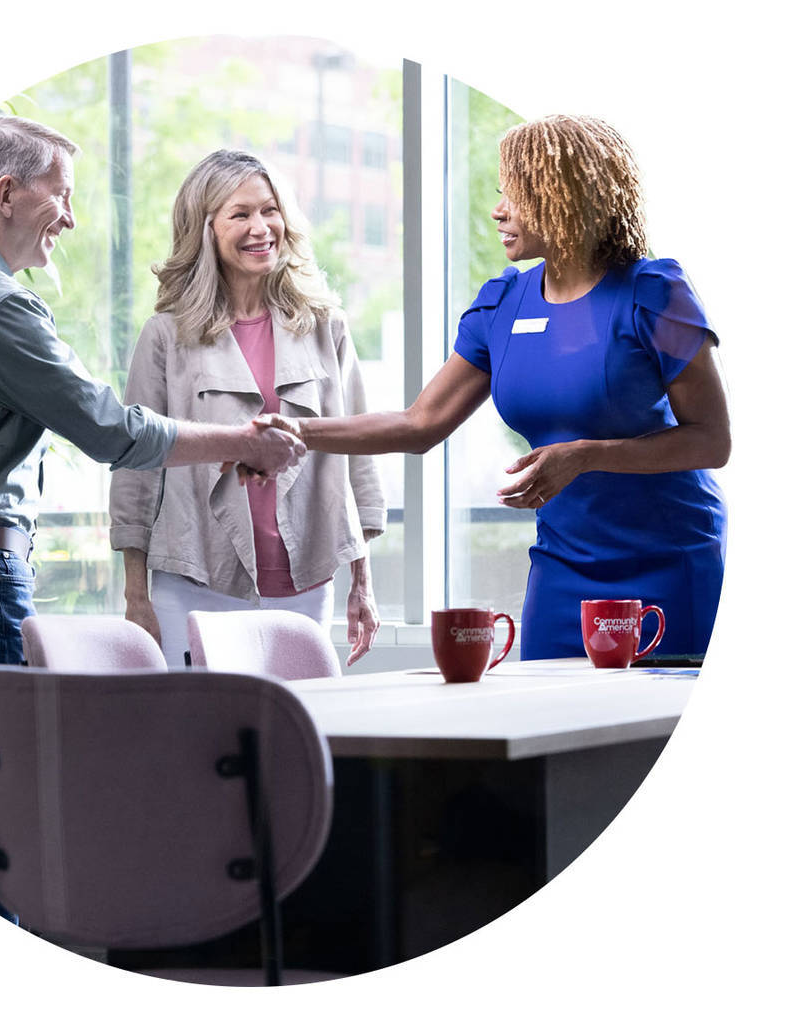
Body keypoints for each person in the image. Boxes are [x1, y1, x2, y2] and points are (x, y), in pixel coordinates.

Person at [0, 117, 304, 902]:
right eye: (62, 195)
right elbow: (113, 431)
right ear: (7, 193)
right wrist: (244, 442)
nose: (71, 216)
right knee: (3, 823)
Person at [254, 115, 729, 660]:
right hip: (563, 566)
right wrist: (296, 431)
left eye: (518, 196)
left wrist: (586, 456)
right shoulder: (503, 302)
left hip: (670, 561)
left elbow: (712, 441)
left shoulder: (653, 293)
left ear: (566, 198)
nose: (499, 211)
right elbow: (418, 424)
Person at [109, 149, 386, 668]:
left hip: (305, 578)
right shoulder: (166, 336)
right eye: (241, 214)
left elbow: (356, 459)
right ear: (206, 228)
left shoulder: (327, 326)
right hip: (195, 575)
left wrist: (363, 583)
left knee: (298, 733)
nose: (261, 228)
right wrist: (135, 595)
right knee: (202, 737)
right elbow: (136, 470)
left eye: (270, 210)